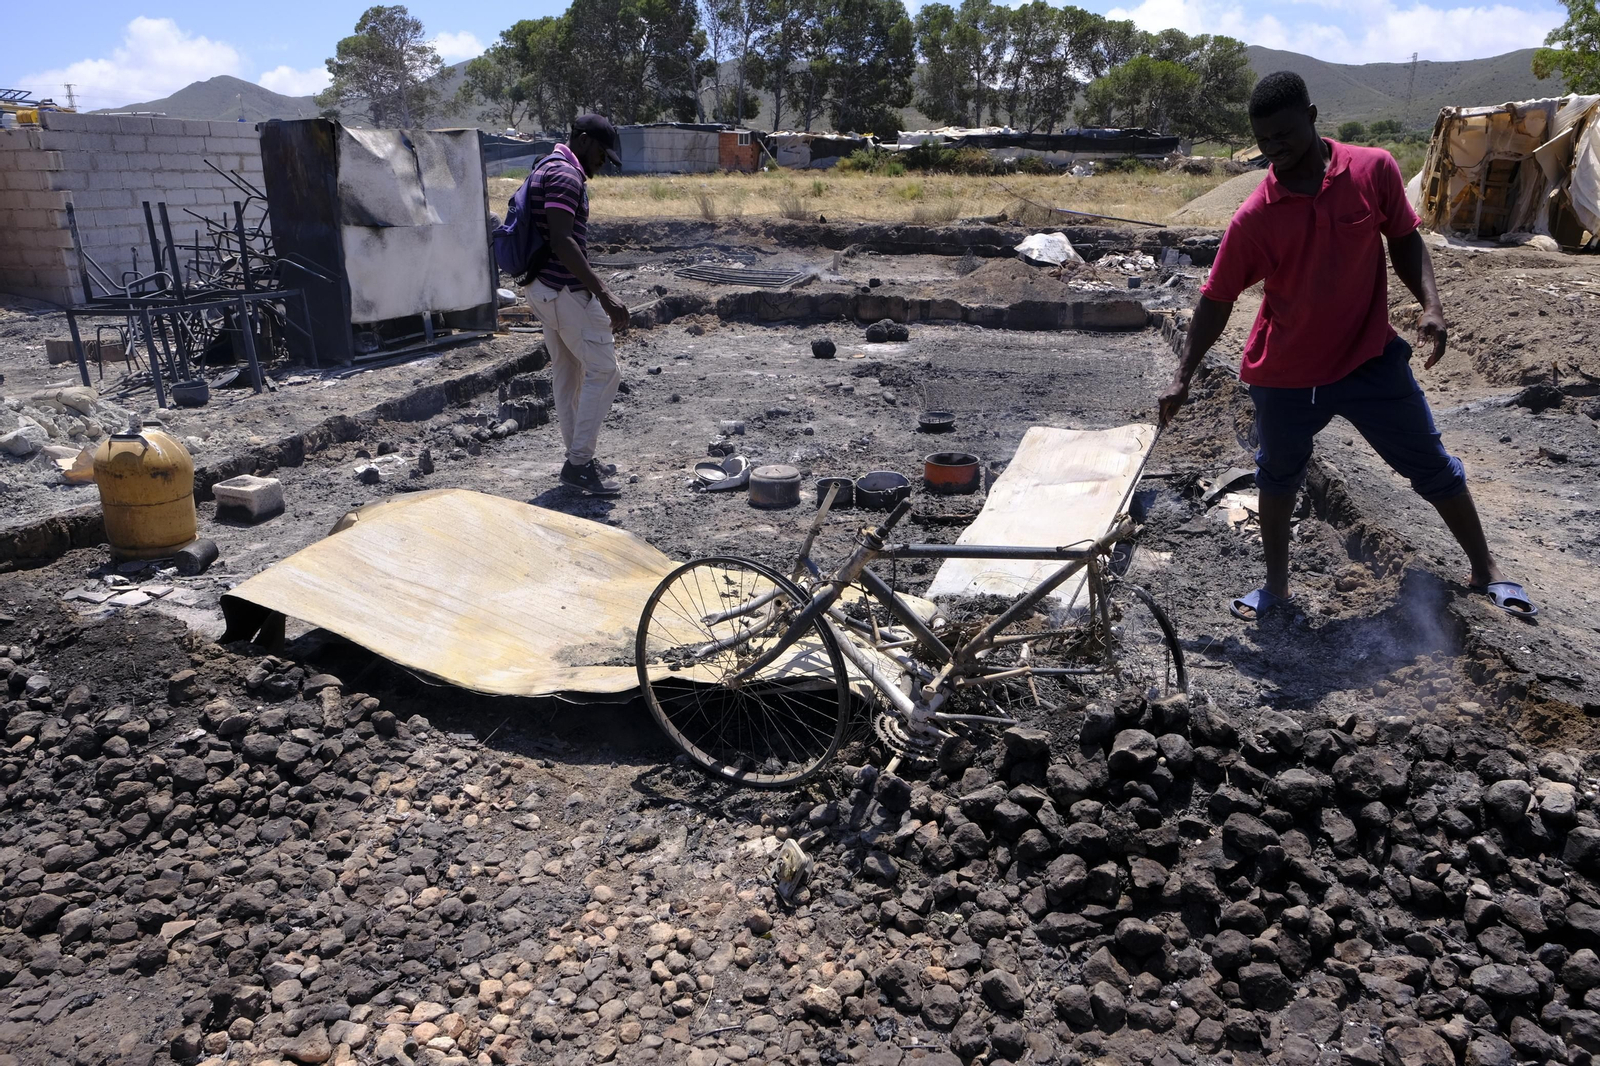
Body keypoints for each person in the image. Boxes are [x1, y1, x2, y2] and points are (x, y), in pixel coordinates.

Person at [1157, 71, 1537, 620]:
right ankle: (1277, 588)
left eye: (1284, 135)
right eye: (1264, 141)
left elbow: (1404, 238)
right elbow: (1216, 299)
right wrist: (1182, 374)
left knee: (1431, 464)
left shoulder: (1373, 168)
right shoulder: (1256, 218)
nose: (1274, 150)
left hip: (1368, 360)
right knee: (1278, 476)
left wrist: (1431, 307)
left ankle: (1487, 571)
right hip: (1286, 373)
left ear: (1312, 118)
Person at [523, 114, 631, 496]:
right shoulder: (566, 176)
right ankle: (579, 463)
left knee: (569, 374)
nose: (603, 162)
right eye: (602, 153)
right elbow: (563, 241)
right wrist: (603, 293)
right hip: (566, 292)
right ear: (583, 141)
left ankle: (577, 457)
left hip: (543, 290)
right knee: (605, 371)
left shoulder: (545, 167)